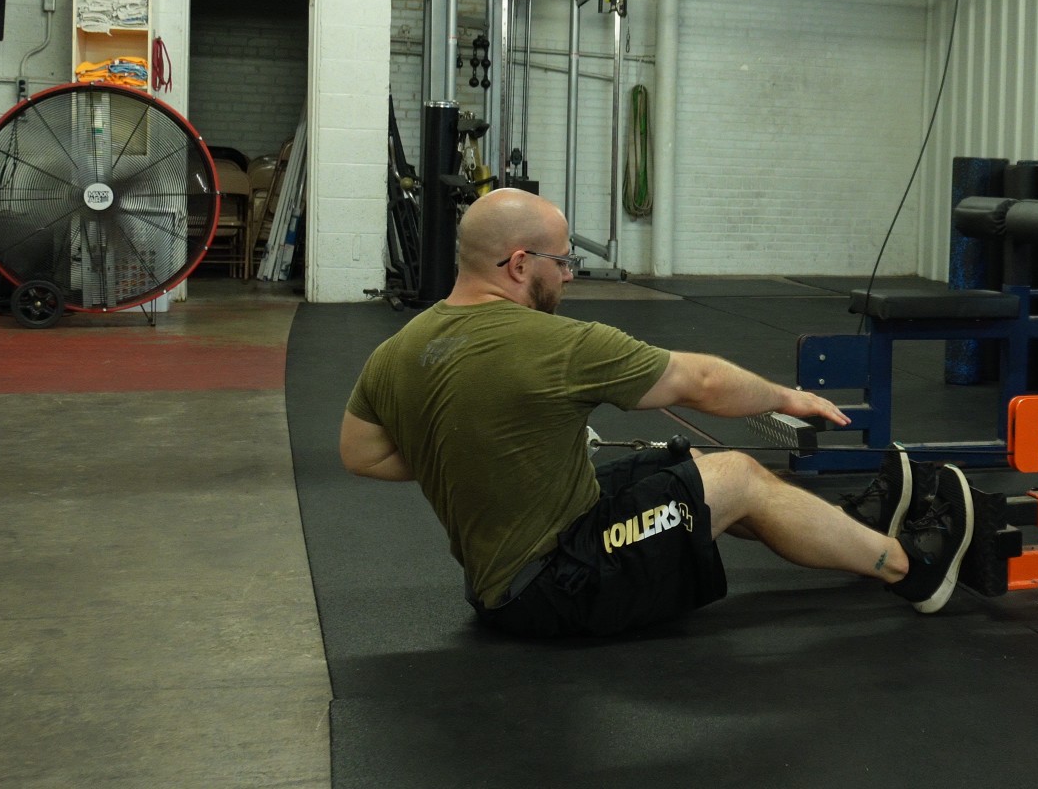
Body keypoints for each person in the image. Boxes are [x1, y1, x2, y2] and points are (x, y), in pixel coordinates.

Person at [340, 188, 973, 638]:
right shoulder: (557, 344)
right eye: (563, 263)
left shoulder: (396, 352)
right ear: (519, 265)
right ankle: (912, 570)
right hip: (557, 587)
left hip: (501, 582)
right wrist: (786, 396)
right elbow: (696, 381)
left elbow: (361, 453)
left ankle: (851, 529)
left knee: (696, 463)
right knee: (741, 479)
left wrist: (491, 455)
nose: (566, 278)